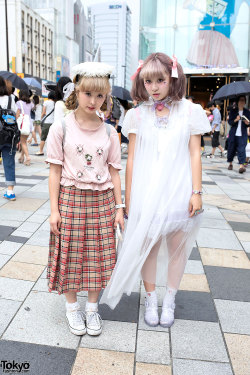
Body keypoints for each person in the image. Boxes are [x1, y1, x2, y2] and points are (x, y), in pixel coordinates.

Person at [101, 53, 211, 328]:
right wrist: (127, 199)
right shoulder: (137, 115)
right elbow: (133, 159)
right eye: (148, 80)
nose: (154, 86)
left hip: (179, 187)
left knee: (177, 248)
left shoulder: (191, 111)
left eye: (160, 79)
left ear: (173, 78)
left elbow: (195, 154)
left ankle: (169, 299)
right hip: (147, 190)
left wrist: (196, 191)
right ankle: (150, 298)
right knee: (147, 248)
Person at [46, 62, 124, 337]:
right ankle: (72, 309)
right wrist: (54, 210)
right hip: (70, 197)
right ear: (77, 91)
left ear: (107, 96)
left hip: (102, 200)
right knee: (68, 252)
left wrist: (119, 207)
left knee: (98, 256)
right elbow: (54, 172)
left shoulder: (110, 132)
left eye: (100, 95)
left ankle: (92, 309)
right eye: (88, 93)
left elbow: (114, 172)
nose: (94, 101)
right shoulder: (61, 128)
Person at [0, 77, 17, 200]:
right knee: (9, 163)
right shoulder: (11, 98)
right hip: (9, 136)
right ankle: (10, 192)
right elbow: (15, 116)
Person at [227, 96, 250, 173]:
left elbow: (248, 123)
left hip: (242, 134)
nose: (242, 102)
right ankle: (230, 163)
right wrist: (236, 120)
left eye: (243, 100)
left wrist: (247, 123)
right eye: (240, 100)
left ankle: (241, 166)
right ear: (237, 101)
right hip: (234, 133)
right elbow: (230, 122)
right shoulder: (233, 111)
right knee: (231, 148)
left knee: (242, 149)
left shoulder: (247, 112)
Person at [16, 90, 34, 166]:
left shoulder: (18, 103)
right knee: (24, 141)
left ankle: (28, 157)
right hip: (29, 124)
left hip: (22, 124)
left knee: (22, 142)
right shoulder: (30, 103)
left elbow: (17, 115)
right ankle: (21, 157)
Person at [36, 91, 55, 156]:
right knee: (52, 138)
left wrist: (40, 118)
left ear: (48, 96)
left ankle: (41, 151)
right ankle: (52, 152)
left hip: (47, 122)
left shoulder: (46, 102)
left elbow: (43, 112)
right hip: (53, 122)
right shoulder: (55, 103)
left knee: (43, 137)